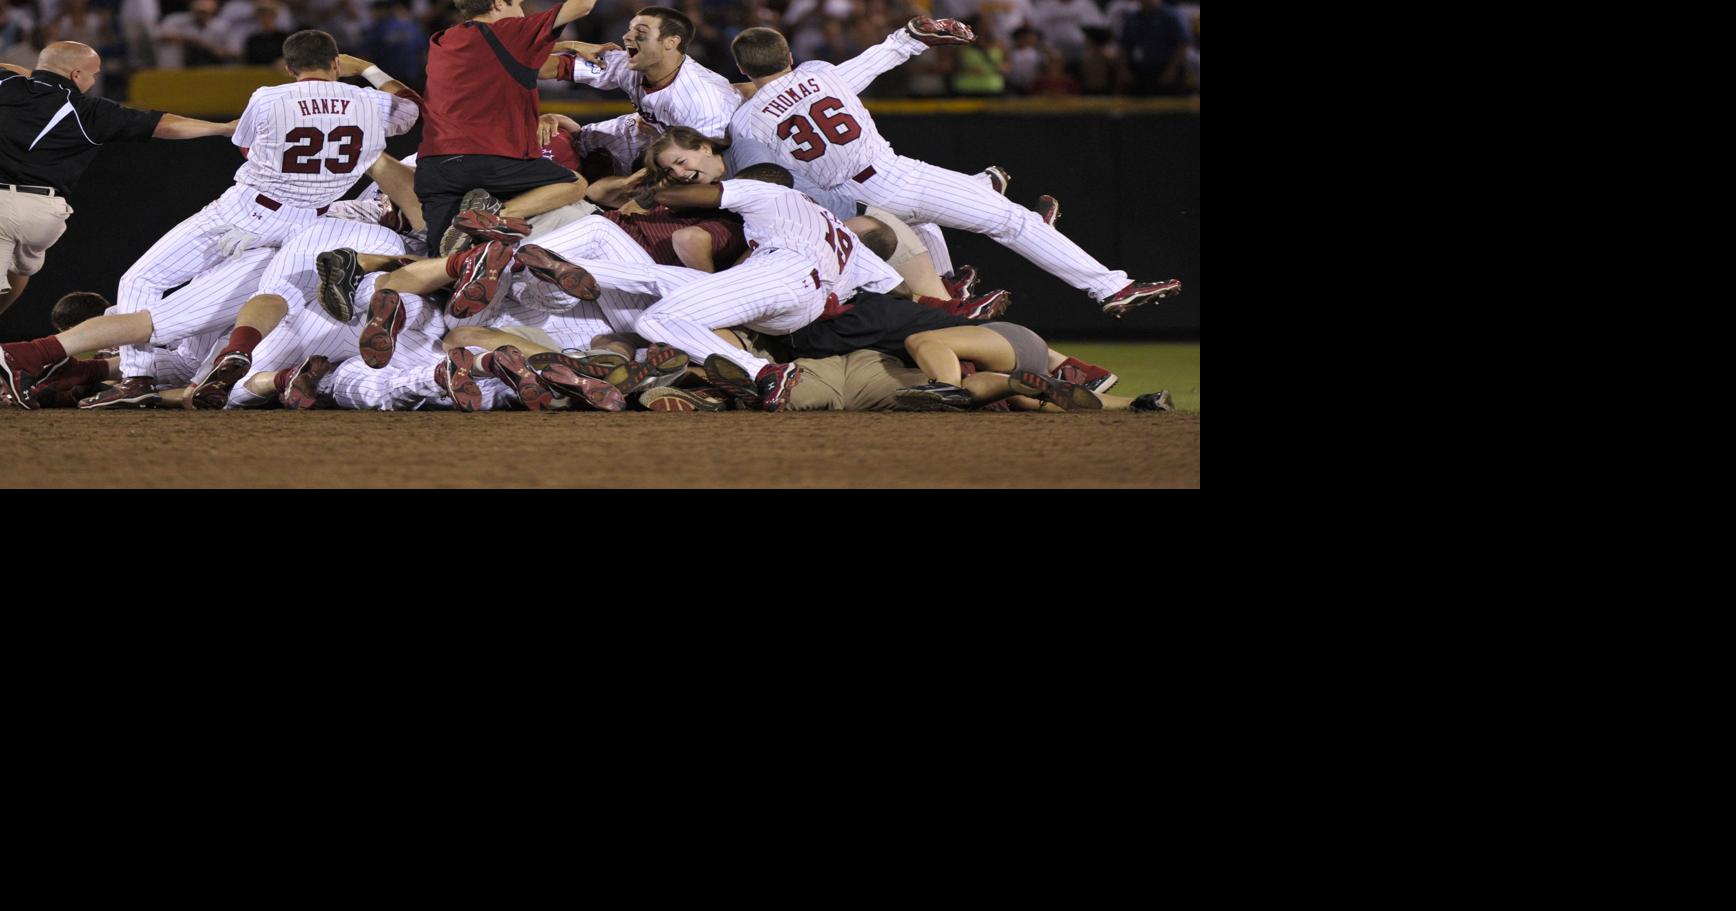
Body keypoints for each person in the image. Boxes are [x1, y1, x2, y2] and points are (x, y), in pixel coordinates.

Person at [725, 20, 1181, 317]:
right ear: (788, 57)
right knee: (1014, 222)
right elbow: (876, 60)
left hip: (855, 200)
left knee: (929, 224)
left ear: (743, 69)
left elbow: (770, 170)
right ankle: (1110, 287)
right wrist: (910, 37)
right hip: (891, 174)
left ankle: (955, 277)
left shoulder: (746, 121)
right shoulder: (820, 73)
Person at [0, 42, 235, 319]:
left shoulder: (7, 83)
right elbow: (166, 124)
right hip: (43, 216)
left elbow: (8, 67)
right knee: (19, 268)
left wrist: (34, 74)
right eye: (94, 74)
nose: (94, 80)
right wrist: (222, 127)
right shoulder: (91, 110)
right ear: (76, 75)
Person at [414, 0, 600, 255]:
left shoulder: (443, 40)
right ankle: (494, 214)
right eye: (520, 4)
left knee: (449, 263)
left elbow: (521, 59)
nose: (523, 11)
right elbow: (583, 6)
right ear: (499, 3)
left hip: (434, 169)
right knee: (575, 184)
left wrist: (569, 46)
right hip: (487, 159)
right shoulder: (510, 30)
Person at [539, 6, 741, 177]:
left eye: (641, 33)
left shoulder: (702, 99)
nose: (627, 37)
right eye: (629, 30)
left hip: (678, 166)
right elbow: (536, 66)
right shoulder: (630, 63)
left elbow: (709, 170)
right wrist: (567, 45)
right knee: (554, 142)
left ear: (671, 42)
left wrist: (641, 197)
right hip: (639, 140)